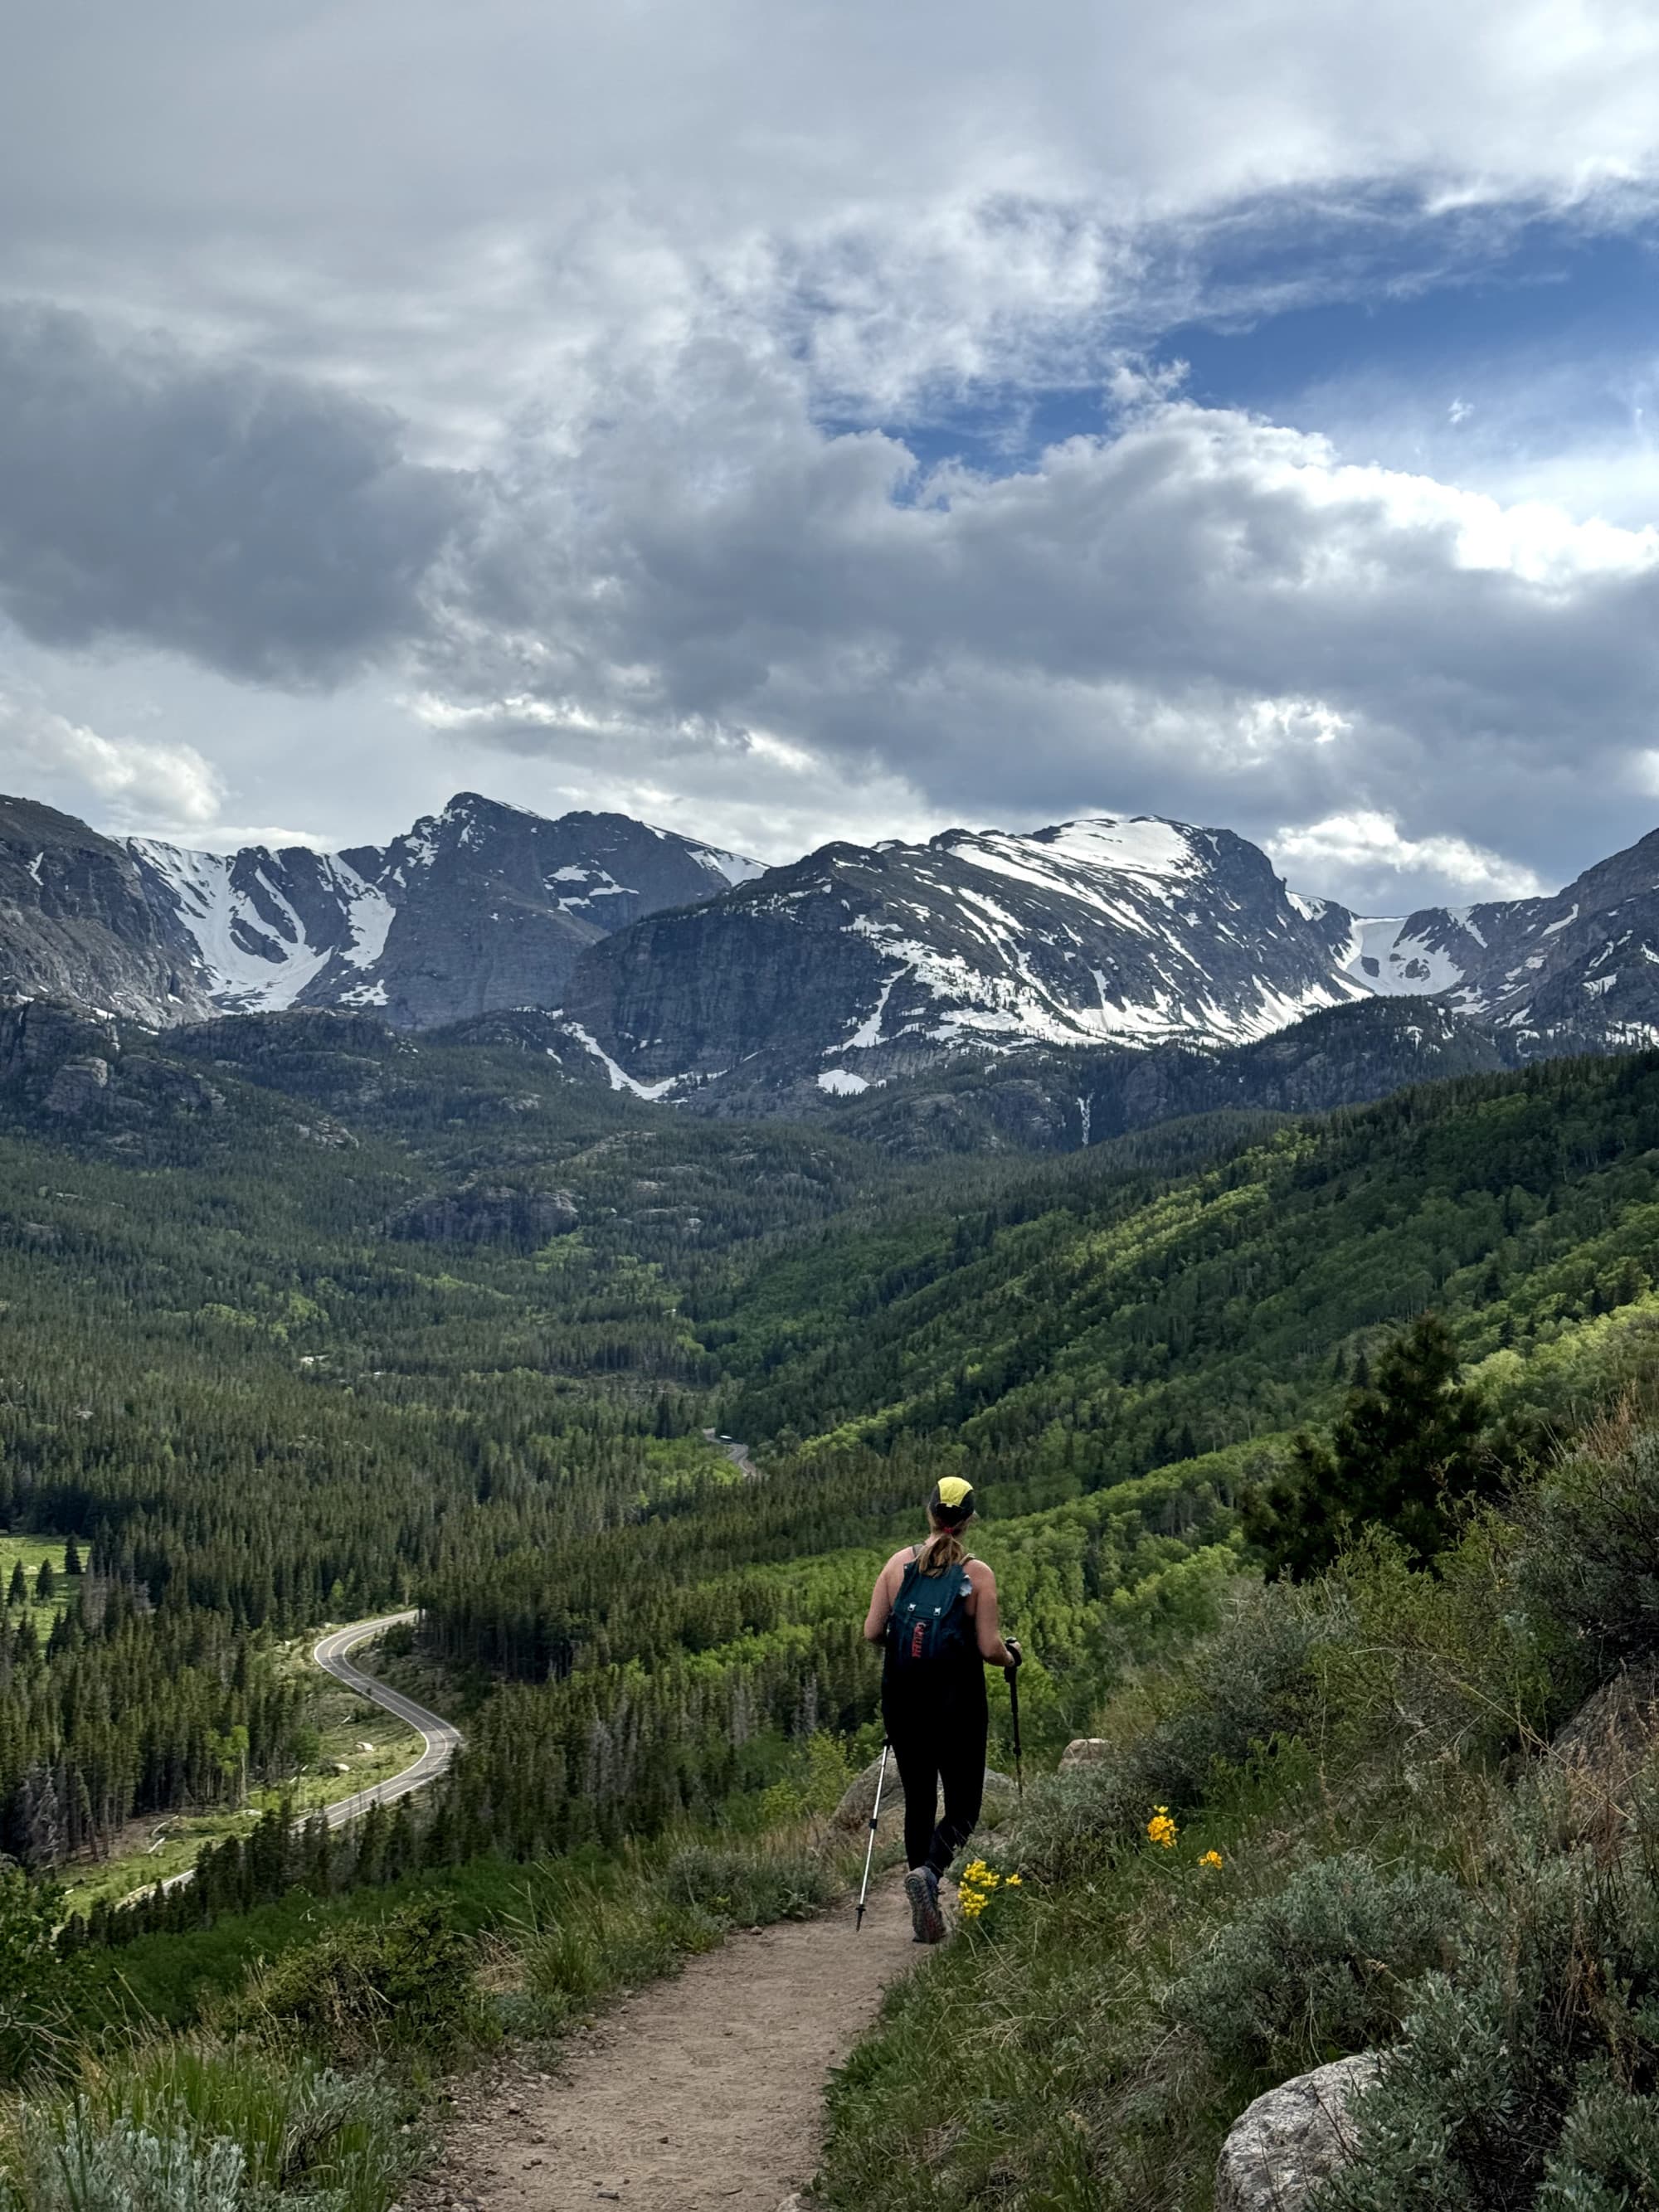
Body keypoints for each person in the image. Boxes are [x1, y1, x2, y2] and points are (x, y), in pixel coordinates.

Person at [863, 1475, 1021, 1943]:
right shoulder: (978, 1575)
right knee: (965, 1808)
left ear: (930, 1512)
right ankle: (930, 1874)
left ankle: (924, 1906)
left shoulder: (898, 1565)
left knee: (919, 1801)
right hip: (959, 1707)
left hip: (906, 1705)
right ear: (969, 1519)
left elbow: (873, 1632)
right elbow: (990, 1648)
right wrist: (1012, 1656)